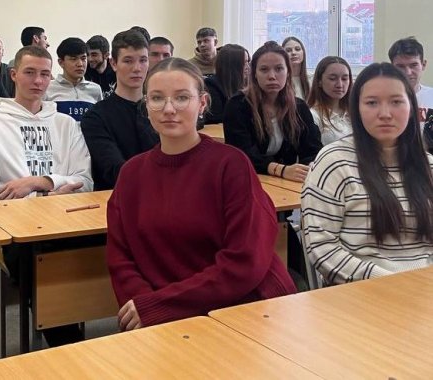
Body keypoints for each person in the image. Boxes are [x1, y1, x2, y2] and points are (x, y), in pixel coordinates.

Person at [107, 57, 296, 330]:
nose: (169, 109)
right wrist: (146, 306)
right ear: (146, 105)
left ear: (203, 103)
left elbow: (245, 261)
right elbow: (121, 257)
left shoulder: (231, 165)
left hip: (246, 310)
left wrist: (161, 306)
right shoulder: (131, 174)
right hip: (167, 316)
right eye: (157, 98)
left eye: (182, 98)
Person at [0, 45, 93, 346]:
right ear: (13, 75)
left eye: (45, 74)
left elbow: (85, 181)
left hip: (68, 221)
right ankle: (70, 349)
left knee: (98, 255)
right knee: (44, 267)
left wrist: (38, 182)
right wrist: (50, 193)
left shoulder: (65, 123)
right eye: (30, 72)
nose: (38, 81)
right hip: (17, 229)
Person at [302, 62, 433, 285]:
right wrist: (387, 281)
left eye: (396, 102)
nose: (385, 114)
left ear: (411, 107)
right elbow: (321, 246)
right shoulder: (334, 162)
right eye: (372, 103)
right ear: (356, 108)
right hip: (361, 290)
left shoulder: (428, 166)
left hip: (423, 288)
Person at [224, 41, 322, 182]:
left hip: (286, 183)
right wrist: (281, 170)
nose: (272, 76)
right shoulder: (238, 105)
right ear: (254, 74)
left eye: (279, 69)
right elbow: (242, 153)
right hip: (248, 178)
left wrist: (310, 166)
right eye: (264, 69)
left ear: (288, 72)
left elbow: (313, 149)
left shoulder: (299, 107)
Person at [81, 29, 159, 190]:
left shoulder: (160, 110)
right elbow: (114, 170)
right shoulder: (95, 117)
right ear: (114, 64)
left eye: (143, 60)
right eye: (128, 61)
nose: (137, 68)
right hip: (116, 196)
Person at [388, 36, 433, 153]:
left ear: (423, 64)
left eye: (413, 65)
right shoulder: (383, 99)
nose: (408, 72)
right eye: (400, 66)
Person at [45, 37, 103, 121]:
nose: (80, 64)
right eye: (73, 59)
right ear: (61, 62)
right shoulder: (48, 88)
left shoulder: (95, 90)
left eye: (83, 59)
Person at [307, 56, 353, 145]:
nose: (340, 85)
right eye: (332, 78)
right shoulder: (313, 116)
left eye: (344, 79)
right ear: (319, 81)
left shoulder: (354, 112)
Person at [204, 44, 250, 124]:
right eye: (245, 62)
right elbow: (215, 118)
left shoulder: (248, 83)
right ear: (233, 65)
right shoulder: (211, 84)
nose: (248, 67)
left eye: (248, 62)